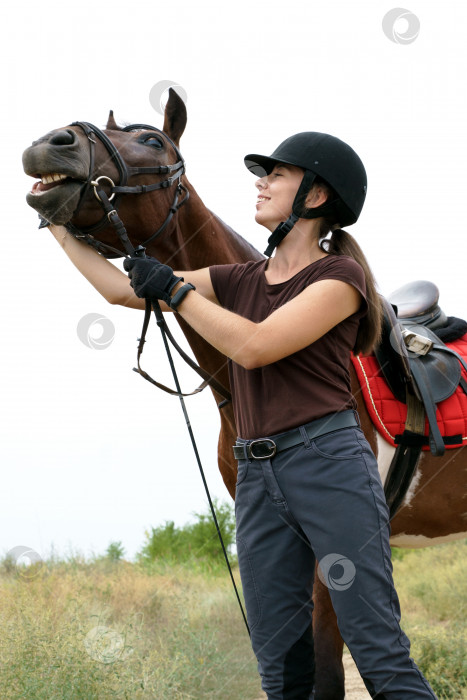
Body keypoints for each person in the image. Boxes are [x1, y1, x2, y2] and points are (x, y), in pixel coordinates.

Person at [49, 131, 437, 700]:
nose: (261, 182)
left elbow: (255, 346)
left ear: (316, 195)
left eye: (277, 174)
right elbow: (119, 291)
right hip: (255, 476)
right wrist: (57, 221)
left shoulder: (340, 279)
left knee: (379, 655)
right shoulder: (239, 280)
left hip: (328, 465)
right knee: (280, 669)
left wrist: (178, 294)